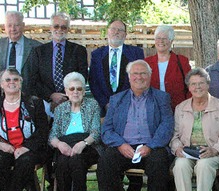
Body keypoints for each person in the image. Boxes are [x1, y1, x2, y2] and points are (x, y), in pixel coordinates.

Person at [97, 60, 174, 191]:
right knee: (106, 162)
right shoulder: (117, 99)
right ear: (129, 77)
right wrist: (120, 144)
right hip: (123, 146)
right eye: (135, 73)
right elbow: (107, 129)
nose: (139, 77)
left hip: (152, 147)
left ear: (150, 76)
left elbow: (167, 125)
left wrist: (150, 146)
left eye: (143, 73)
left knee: (159, 163)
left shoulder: (161, 97)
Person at [171, 68, 219, 191]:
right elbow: (174, 135)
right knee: (180, 165)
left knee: (203, 165)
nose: (198, 87)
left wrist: (214, 149)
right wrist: (178, 148)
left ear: (208, 85)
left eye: (201, 83)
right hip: (188, 152)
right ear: (189, 87)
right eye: (193, 84)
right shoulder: (181, 108)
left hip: (214, 152)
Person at [0, 68, 50, 191]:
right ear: (1, 84)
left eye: (15, 79)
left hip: (30, 149)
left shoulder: (34, 102)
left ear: (20, 82)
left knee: (25, 161)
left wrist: (26, 147)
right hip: (4, 148)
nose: (12, 82)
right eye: (7, 80)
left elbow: (43, 130)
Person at [28, 12, 88, 116]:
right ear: (50, 28)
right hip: (44, 104)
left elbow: (82, 78)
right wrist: (51, 96)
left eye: (63, 27)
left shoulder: (79, 51)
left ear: (68, 29)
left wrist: (65, 98)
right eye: (56, 26)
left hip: (71, 103)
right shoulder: (38, 51)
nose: (59, 30)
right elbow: (34, 79)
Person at [49, 72, 101, 191]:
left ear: (83, 91)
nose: (75, 92)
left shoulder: (92, 105)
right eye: (72, 89)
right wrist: (59, 144)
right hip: (65, 145)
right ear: (66, 92)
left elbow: (96, 132)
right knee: (61, 162)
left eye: (79, 88)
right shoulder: (60, 109)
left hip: (88, 146)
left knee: (76, 160)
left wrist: (83, 143)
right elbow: (53, 134)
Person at [90, 19, 145, 118]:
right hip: (104, 109)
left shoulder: (136, 53)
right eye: (113, 29)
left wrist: (124, 102)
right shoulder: (97, 55)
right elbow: (93, 82)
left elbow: (140, 80)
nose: (116, 32)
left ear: (125, 35)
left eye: (120, 30)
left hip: (130, 106)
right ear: (108, 32)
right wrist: (105, 103)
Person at [0, 11, 41, 93]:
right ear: (5, 27)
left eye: (17, 25)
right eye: (9, 25)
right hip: (1, 96)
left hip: (28, 96)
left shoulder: (36, 46)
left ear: (23, 26)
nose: (13, 29)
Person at [145, 25, 191, 110]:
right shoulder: (146, 62)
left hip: (178, 110)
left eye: (164, 38)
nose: (161, 41)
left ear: (171, 41)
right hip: (153, 110)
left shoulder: (182, 61)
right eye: (158, 38)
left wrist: (186, 107)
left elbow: (190, 86)